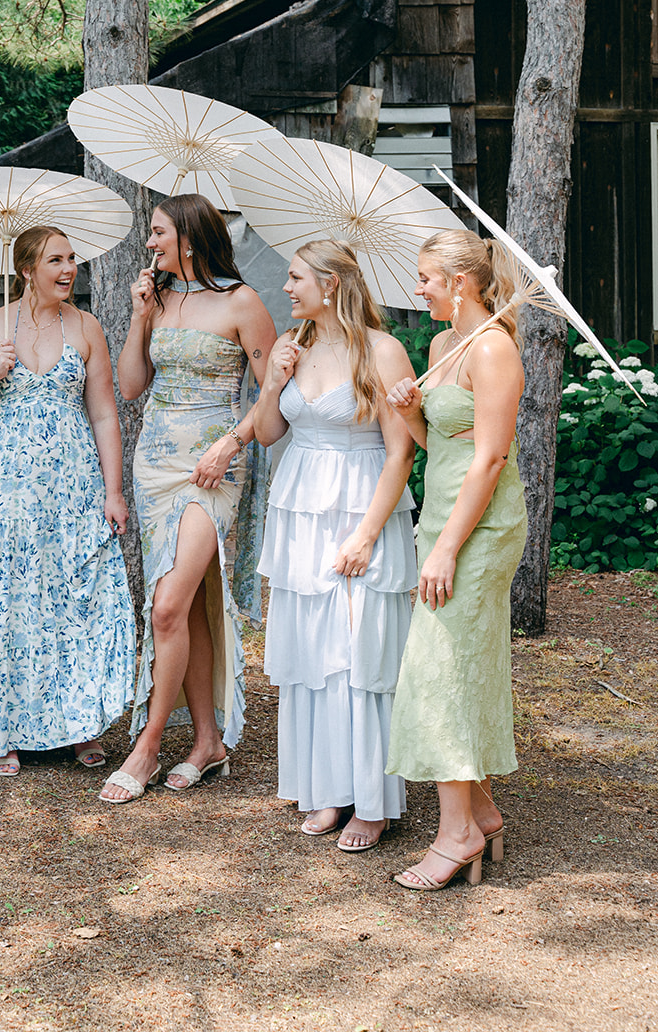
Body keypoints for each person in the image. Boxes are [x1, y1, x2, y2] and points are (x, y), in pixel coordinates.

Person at [100, 194, 277, 805]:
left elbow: (274, 396)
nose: (149, 244)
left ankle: (147, 746)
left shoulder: (243, 303)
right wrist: (140, 315)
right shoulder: (161, 298)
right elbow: (129, 386)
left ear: (190, 237)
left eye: (156, 233)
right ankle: (207, 742)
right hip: (155, 467)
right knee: (186, 605)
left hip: (213, 471)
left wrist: (230, 444)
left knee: (167, 606)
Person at [0, 225, 135, 777]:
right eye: (56, 260)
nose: (69, 268)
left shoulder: (87, 327)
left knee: (71, 595)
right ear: (27, 270)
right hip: (5, 486)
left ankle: (77, 726)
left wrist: (113, 490)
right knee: (6, 597)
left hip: (74, 484)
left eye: (72, 258)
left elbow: (103, 413)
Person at [253, 239, 417, 851]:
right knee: (311, 652)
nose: (287, 287)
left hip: (360, 503)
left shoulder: (382, 350)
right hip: (299, 506)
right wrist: (272, 382)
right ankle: (325, 788)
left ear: (332, 284)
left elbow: (400, 452)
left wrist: (366, 534)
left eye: (296, 278)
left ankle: (371, 801)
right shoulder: (294, 347)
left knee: (357, 653)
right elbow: (270, 434)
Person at [385, 228, 527, 891]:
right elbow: (436, 441)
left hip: (481, 525)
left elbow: (490, 458)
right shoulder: (444, 345)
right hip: (442, 512)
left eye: (425, 279)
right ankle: (481, 812)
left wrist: (445, 549)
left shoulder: (494, 350)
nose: (418, 290)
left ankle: (456, 833)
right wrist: (412, 412)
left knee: (441, 668)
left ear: (459, 283)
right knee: (452, 661)